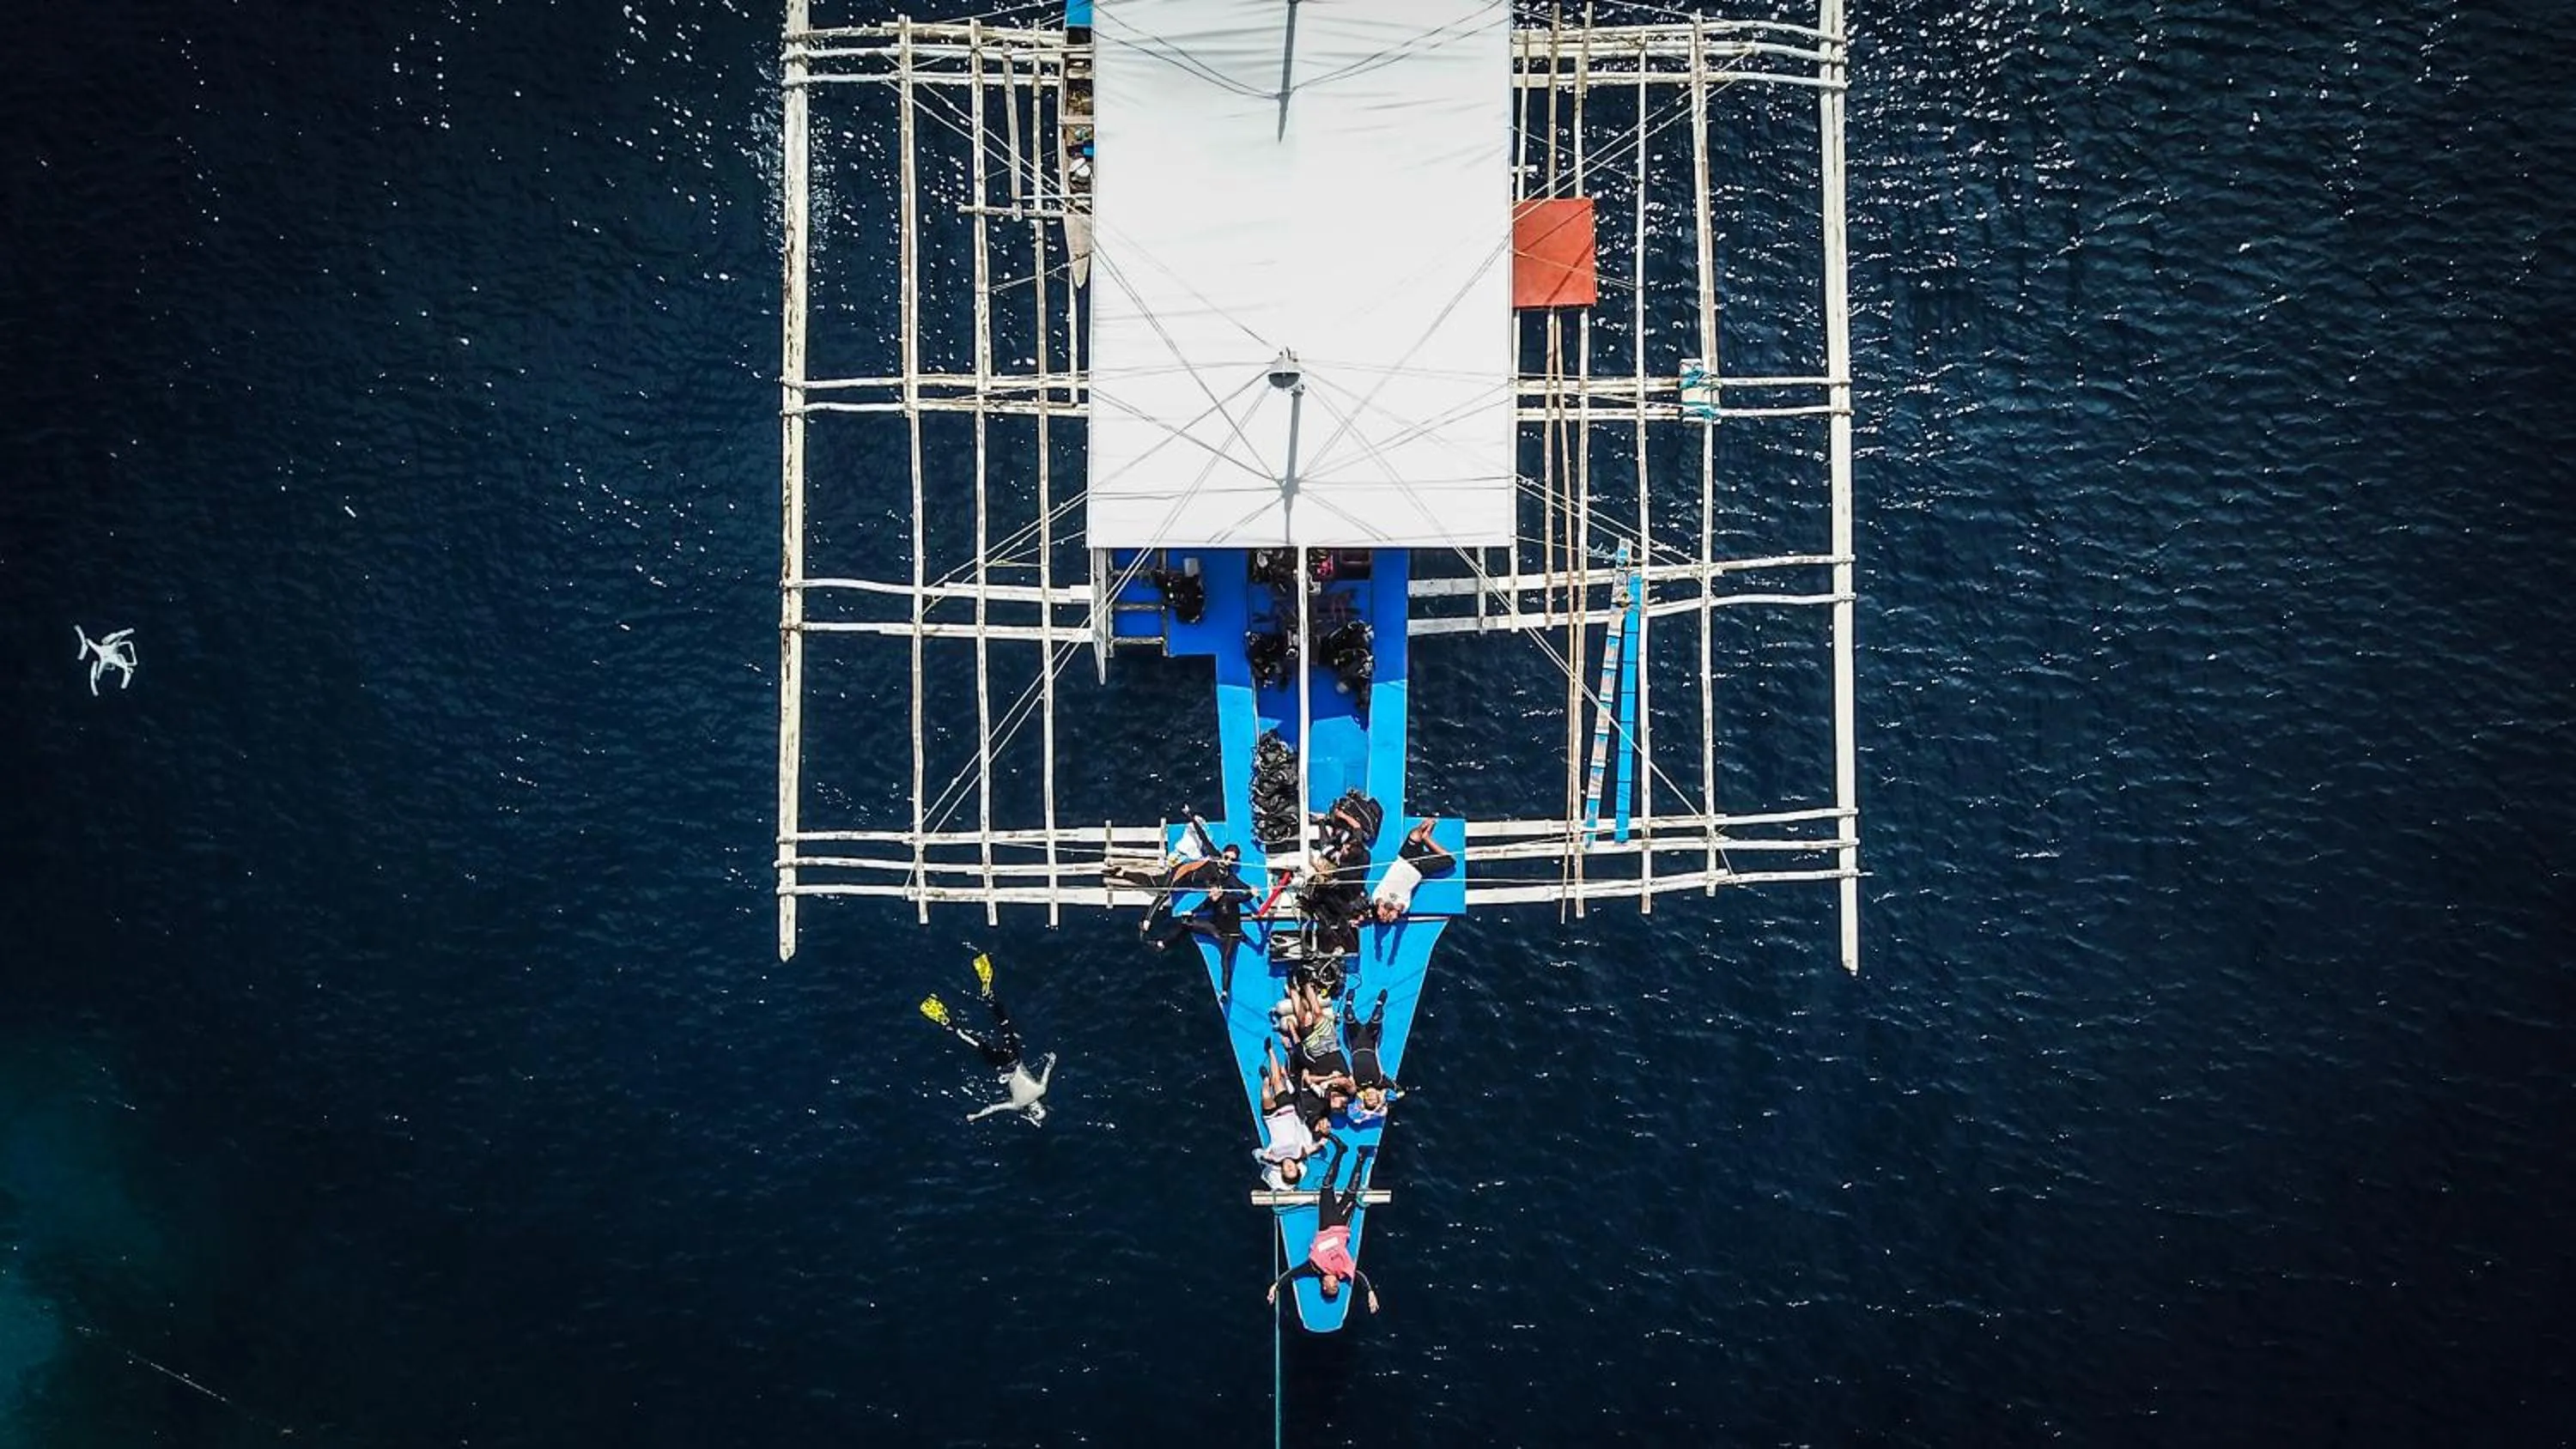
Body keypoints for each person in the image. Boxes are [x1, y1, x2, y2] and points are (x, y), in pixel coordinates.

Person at [920, 954, 1055, 1125]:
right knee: (988, 1037)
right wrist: (1051, 1061)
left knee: (994, 1032)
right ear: (1041, 1107)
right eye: (1040, 1111)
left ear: (1032, 1113)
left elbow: (994, 1108)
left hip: (1008, 1061)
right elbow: (1048, 1069)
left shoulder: (1023, 1101)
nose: (1037, 1110)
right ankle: (959, 1022)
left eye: (1036, 1114)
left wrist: (977, 1115)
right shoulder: (1031, 1096)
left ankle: (977, 1006)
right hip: (1008, 1062)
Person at [1265, 1143, 1382, 1313]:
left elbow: (1292, 1274)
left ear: (1324, 1286)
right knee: (1351, 1191)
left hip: (1326, 1223)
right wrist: (1370, 1292)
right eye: (1337, 1286)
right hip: (1341, 1224)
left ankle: (1340, 1152)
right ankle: (1360, 1158)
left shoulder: (1314, 1267)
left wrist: (1275, 1286)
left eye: (1332, 1286)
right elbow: (1360, 1276)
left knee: (1326, 1186)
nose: (1335, 1283)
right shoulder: (1344, 1270)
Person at [1255, 1040, 1331, 1189]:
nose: (1289, 1167)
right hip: (1288, 1111)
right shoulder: (1299, 1155)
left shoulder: (1274, 1159)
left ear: (1282, 1170)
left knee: (1266, 1094)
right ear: (1297, 1167)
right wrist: (1322, 1142)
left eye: (1287, 1170)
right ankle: (1270, 1051)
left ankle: (1265, 1080)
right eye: (1293, 1169)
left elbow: (1256, 1153)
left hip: (1272, 1119)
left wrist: (1265, 1158)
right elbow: (1315, 1147)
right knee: (1277, 1081)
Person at [1370, 817, 1457, 925]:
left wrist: (1380, 906)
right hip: (1420, 868)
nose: (1386, 913)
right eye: (1388, 917)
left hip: (1406, 859)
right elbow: (1402, 907)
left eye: (1382, 915)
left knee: (1415, 835)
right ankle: (1427, 838)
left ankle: (1422, 833)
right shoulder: (1403, 905)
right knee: (1451, 860)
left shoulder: (1377, 896)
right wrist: (1397, 911)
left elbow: (1378, 900)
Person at [1340, 989, 1400, 1128]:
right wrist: (1382, 1105)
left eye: (1369, 1100)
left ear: (1364, 1098)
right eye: (1374, 1099)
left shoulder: (1356, 1086)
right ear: (1378, 1097)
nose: (1371, 1097)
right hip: (1370, 1040)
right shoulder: (1381, 1081)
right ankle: (1380, 1003)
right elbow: (1400, 1092)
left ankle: (1349, 1001)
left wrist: (1365, 1111)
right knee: (1376, 1018)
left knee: (1348, 1016)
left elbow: (1351, 1114)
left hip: (1354, 1040)